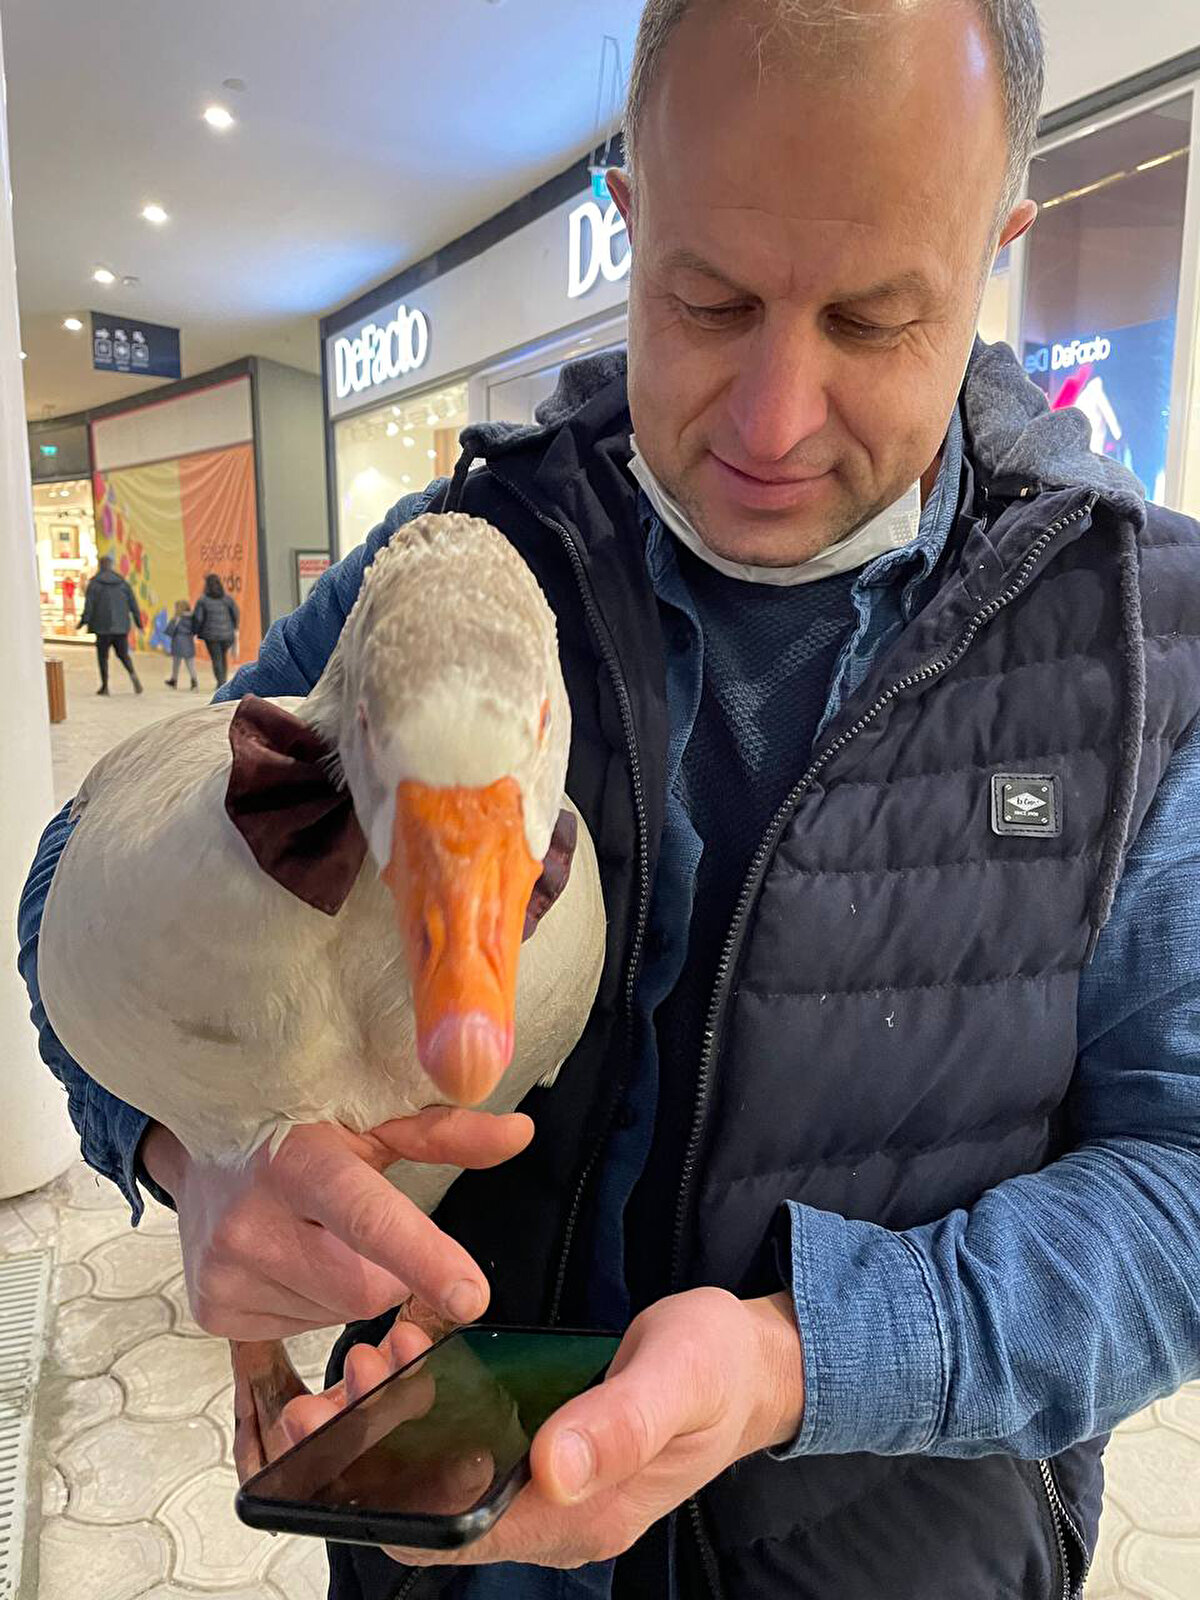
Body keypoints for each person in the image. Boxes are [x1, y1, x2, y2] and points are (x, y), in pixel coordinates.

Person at [18, 1, 1200, 1595]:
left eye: (873, 321)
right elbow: (79, 889)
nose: (774, 421)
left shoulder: (1149, 649)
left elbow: (1184, 1190)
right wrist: (183, 1152)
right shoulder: (444, 567)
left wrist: (801, 1360)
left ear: (999, 246)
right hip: (446, 1548)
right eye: (705, 300)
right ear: (628, 221)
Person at [78, 554, 143, 696]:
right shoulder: (122, 583)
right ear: (112, 565)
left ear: (100, 566)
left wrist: (83, 621)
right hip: (121, 626)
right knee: (123, 654)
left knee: (102, 657)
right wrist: (139, 623)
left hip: (102, 627)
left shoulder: (94, 584)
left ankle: (105, 686)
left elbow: (89, 606)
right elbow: (133, 605)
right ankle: (133, 675)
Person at [192, 573, 239, 688]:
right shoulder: (228, 599)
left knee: (216, 658)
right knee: (223, 656)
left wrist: (195, 632)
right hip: (227, 635)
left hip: (211, 635)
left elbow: (198, 618)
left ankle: (221, 682)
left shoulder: (203, 600)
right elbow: (236, 614)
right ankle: (223, 681)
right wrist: (235, 628)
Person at [164, 599, 199, 691]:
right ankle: (194, 681)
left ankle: (174, 680)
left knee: (176, 664)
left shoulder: (177, 619)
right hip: (189, 642)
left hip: (178, 643)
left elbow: (169, 631)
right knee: (190, 664)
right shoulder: (193, 618)